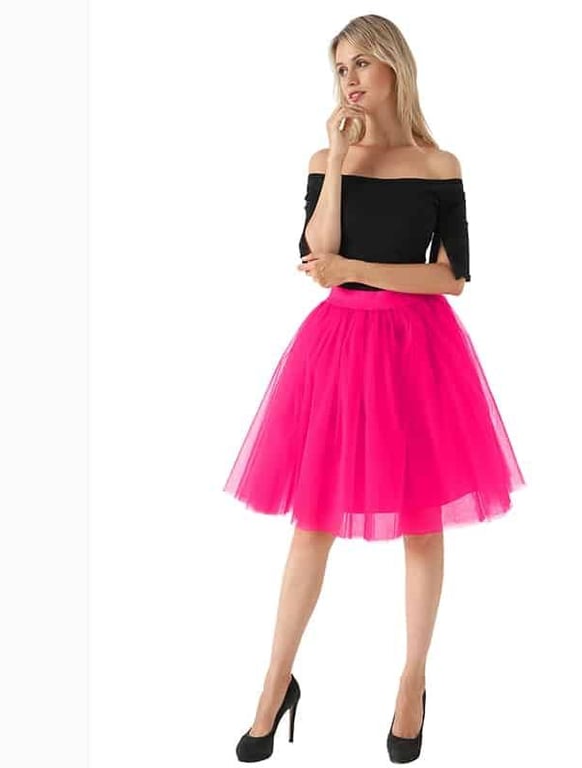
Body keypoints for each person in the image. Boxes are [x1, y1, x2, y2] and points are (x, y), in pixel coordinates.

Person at [224, 14, 526, 763]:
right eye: (340, 68)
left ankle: (411, 684)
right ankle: (273, 685)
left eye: (362, 63)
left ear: (395, 67)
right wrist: (337, 160)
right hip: (337, 347)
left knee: (422, 520)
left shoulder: (437, 163)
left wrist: (357, 272)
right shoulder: (325, 157)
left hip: (418, 349)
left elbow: (451, 278)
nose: (350, 79)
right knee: (312, 522)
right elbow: (316, 254)